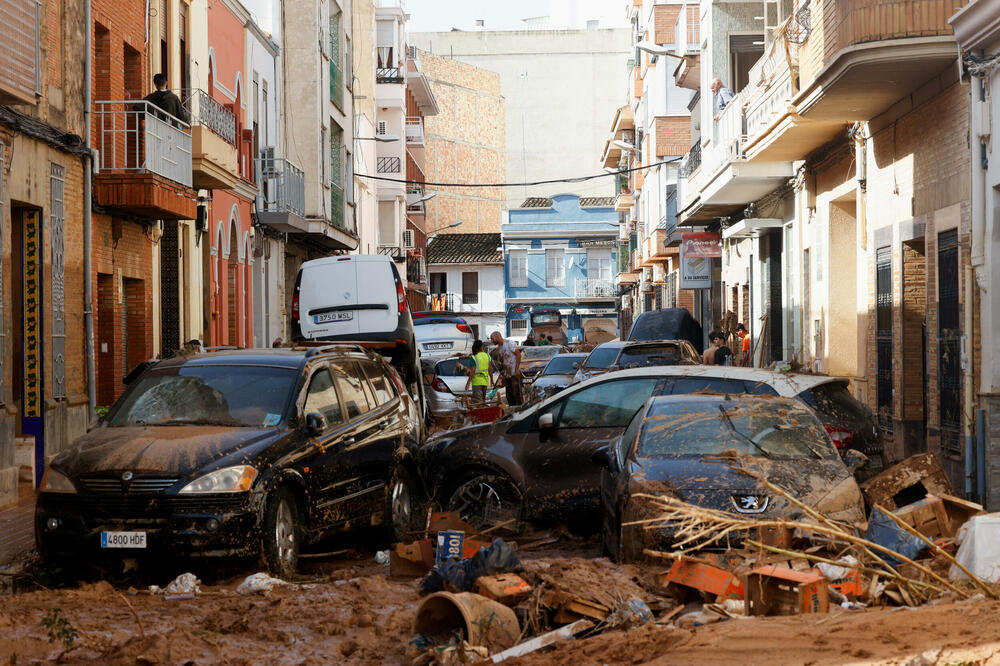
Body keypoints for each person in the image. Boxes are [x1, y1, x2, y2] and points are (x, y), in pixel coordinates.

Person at [490, 331, 523, 406]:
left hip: (514, 373)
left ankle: (520, 410)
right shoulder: (500, 348)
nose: (492, 341)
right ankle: (512, 409)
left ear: (497, 337)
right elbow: (503, 360)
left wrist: (516, 369)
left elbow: (518, 355)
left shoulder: (509, 343)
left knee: (516, 393)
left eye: (492, 338)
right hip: (507, 374)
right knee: (509, 395)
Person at [464, 340, 494, 404]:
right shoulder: (488, 356)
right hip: (485, 382)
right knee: (483, 401)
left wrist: (468, 383)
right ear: (481, 347)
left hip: (477, 383)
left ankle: (480, 413)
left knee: (478, 403)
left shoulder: (474, 357)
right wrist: (492, 380)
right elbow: (490, 369)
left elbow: (472, 371)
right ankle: (484, 413)